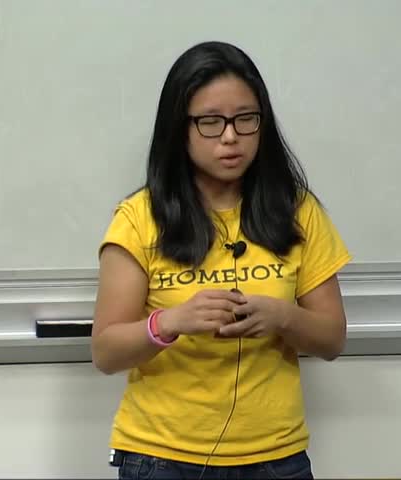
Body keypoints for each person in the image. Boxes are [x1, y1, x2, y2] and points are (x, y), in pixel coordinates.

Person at [91, 40, 352, 480]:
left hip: (275, 459)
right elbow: (106, 352)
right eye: (211, 122)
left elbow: (332, 339)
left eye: (245, 119)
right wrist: (170, 322)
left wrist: (283, 317)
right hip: (162, 459)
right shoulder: (139, 219)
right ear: (180, 128)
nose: (230, 137)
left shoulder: (298, 212)